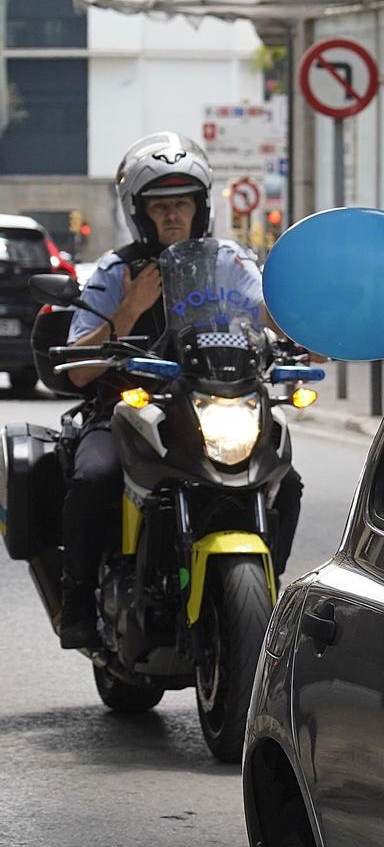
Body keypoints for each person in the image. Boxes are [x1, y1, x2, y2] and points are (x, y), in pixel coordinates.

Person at [57, 132, 303, 649]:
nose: (173, 216)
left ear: (201, 207)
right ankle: (76, 596)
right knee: (95, 473)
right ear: (140, 213)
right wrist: (126, 311)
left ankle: (264, 599)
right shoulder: (116, 270)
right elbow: (79, 368)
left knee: (287, 477)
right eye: (161, 206)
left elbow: (266, 313)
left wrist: (304, 334)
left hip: (211, 399)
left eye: (183, 204)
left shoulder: (230, 261)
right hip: (129, 408)